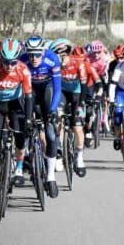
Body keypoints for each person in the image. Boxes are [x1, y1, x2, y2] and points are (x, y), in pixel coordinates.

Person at [0, 38, 34, 202]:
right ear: (0, 58)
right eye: (5, 62)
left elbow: (29, 96)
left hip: (14, 105)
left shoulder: (23, 70)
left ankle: (18, 167)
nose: (9, 66)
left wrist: (29, 119)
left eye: (12, 63)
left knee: (20, 134)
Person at [19, 35, 62, 198]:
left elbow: (58, 89)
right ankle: (23, 160)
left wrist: (52, 111)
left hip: (47, 92)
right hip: (29, 94)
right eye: (30, 54)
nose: (34, 58)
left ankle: (50, 176)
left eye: (37, 54)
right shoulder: (22, 61)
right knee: (22, 125)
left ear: (43, 52)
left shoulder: (52, 59)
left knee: (51, 135)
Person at [51, 38, 88, 178]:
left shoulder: (78, 63)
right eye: (58, 56)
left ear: (68, 53)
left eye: (64, 55)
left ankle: (79, 158)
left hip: (76, 93)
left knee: (77, 127)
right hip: (62, 93)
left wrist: (81, 104)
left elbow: (84, 85)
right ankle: (59, 152)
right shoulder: (55, 65)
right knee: (58, 117)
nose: (62, 59)